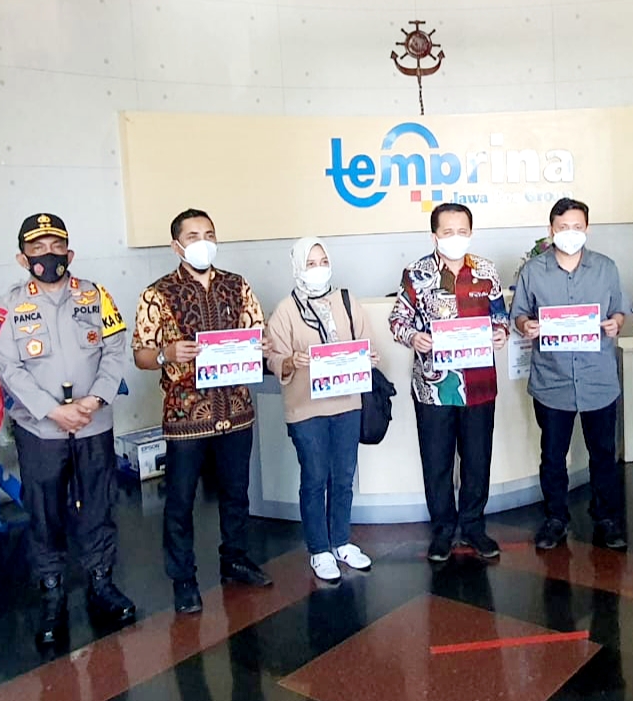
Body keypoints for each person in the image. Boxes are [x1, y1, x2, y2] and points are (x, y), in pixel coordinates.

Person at [0, 213, 136, 645]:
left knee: (99, 507)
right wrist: (52, 410)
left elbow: (115, 350)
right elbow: (8, 368)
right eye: (38, 248)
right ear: (23, 258)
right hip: (41, 431)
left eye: (56, 247)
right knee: (44, 513)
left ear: (69, 253)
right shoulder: (7, 307)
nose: (48, 255)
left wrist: (96, 399)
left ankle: (101, 582)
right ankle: (51, 594)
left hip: (93, 423)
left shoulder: (96, 296)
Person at [133, 208, 274, 616]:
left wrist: (261, 347)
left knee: (236, 492)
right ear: (176, 245)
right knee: (180, 501)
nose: (203, 242)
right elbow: (141, 354)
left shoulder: (236, 285)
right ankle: (184, 579)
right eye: (193, 236)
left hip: (236, 408)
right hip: (186, 416)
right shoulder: (157, 294)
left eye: (209, 234)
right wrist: (166, 353)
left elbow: (257, 333)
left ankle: (235, 559)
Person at [389, 202, 510, 562]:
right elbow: (397, 320)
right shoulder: (416, 274)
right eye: (447, 232)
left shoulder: (486, 271)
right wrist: (413, 337)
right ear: (434, 236)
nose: (455, 238)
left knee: (477, 460)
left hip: (479, 385)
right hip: (433, 387)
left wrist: (501, 332)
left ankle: (473, 526)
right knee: (437, 462)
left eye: (462, 231)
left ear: (470, 233)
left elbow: (500, 315)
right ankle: (442, 530)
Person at [512, 198, 629, 551]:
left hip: (598, 378)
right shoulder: (533, 271)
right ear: (551, 230)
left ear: (587, 228)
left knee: (603, 453)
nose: (570, 233)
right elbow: (519, 314)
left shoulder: (606, 268)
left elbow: (619, 312)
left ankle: (605, 517)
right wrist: (526, 325)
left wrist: (616, 323)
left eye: (577, 227)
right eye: (563, 227)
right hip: (553, 379)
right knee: (553, 455)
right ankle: (555, 518)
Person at [266, 238, 379, 582]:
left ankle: (341, 541)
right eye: (311, 263)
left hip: (347, 404)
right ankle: (319, 549)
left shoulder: (346, 301)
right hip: (306, 409)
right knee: (315, 477)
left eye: (323, 261)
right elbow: (273, 358)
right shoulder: (286, 309)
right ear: (298, 268)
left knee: (343, 476)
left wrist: (369, 358)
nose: (318, 269)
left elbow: (366, 343)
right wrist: (290, 361)